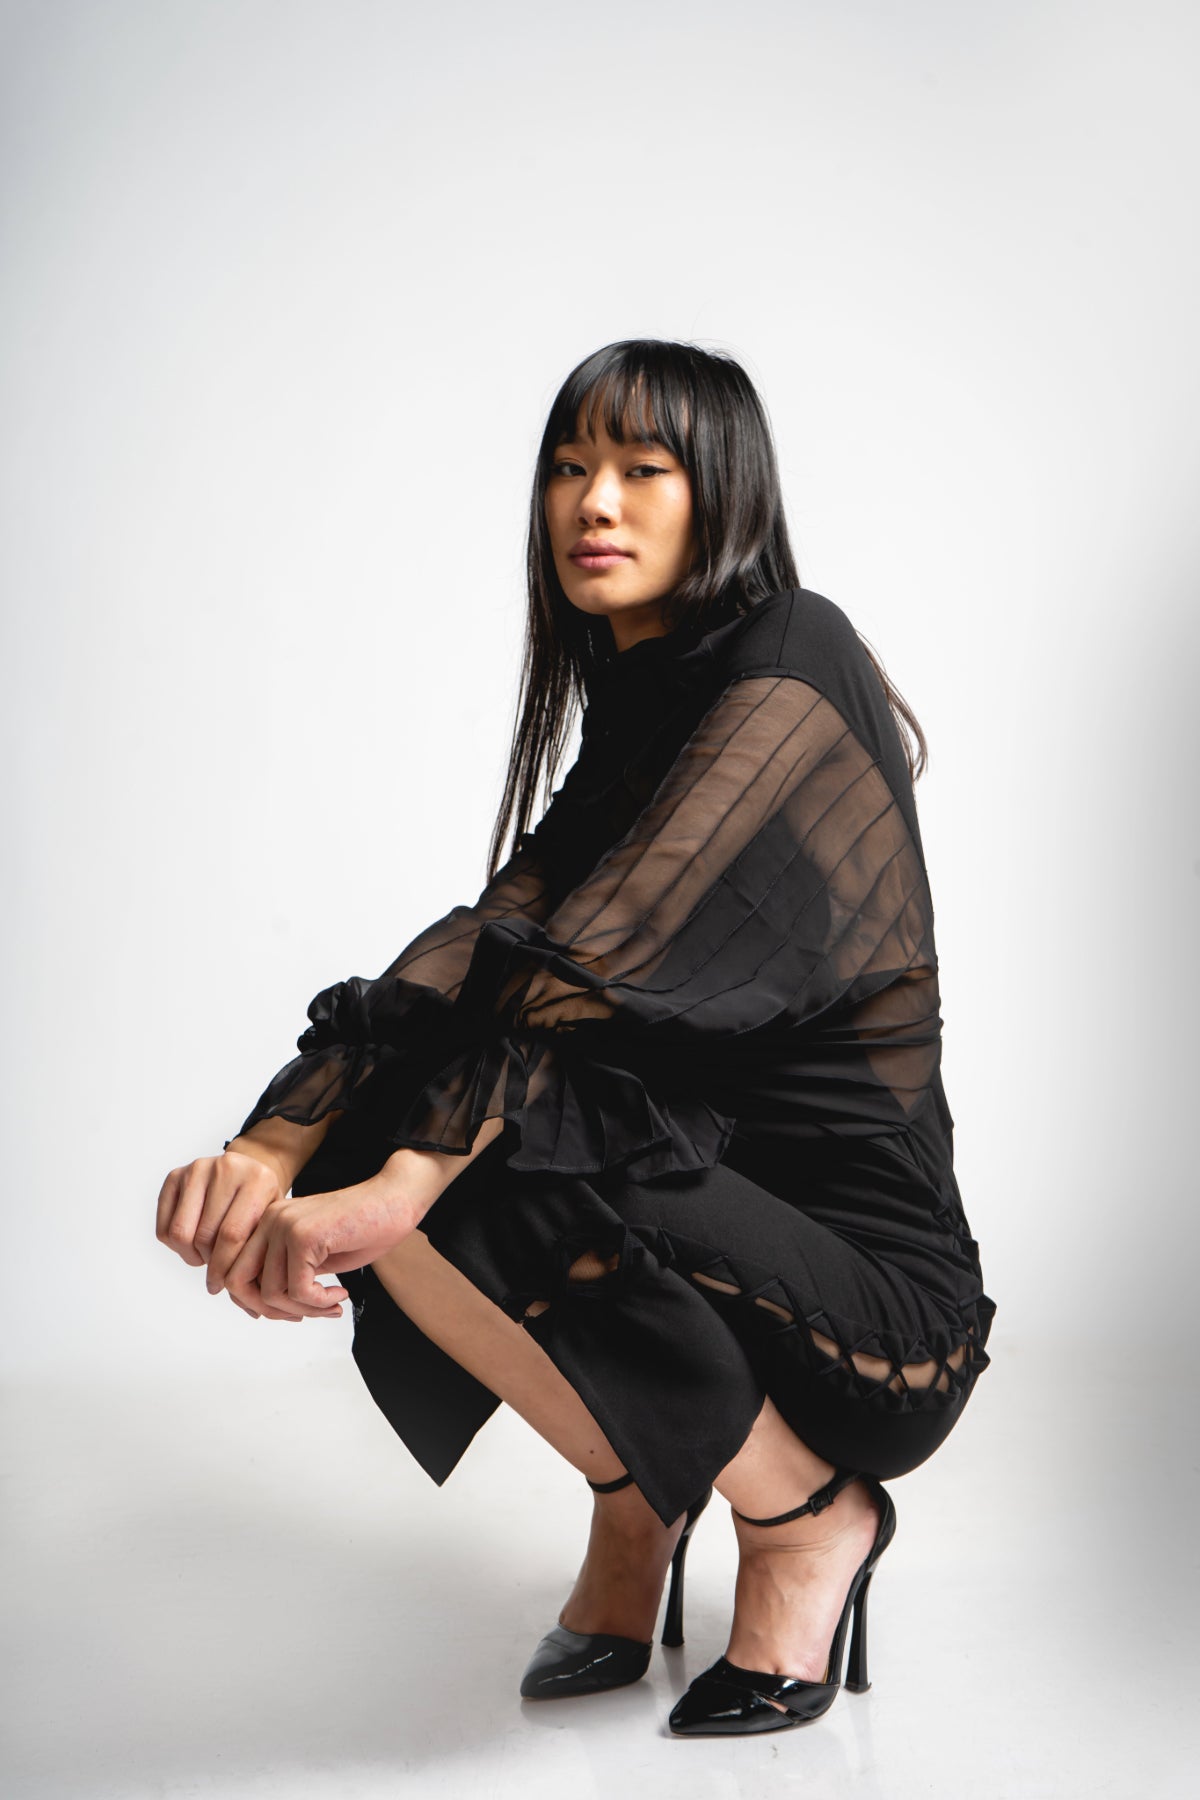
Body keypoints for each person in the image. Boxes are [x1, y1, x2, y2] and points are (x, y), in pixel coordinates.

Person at [156, 338, 996, 1738]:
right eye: (567, 467)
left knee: (497, 1141)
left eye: (642, 468)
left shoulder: (796, 662)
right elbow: (491, 943)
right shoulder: (638, 708)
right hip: (718, 1239)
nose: (593, 502)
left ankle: (808, 1521)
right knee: (416, 1116)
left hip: (878, 1321)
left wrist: (396, 1187)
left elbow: (587, 965)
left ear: (723, 491)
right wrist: (271, 1147)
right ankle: (638, 1495)